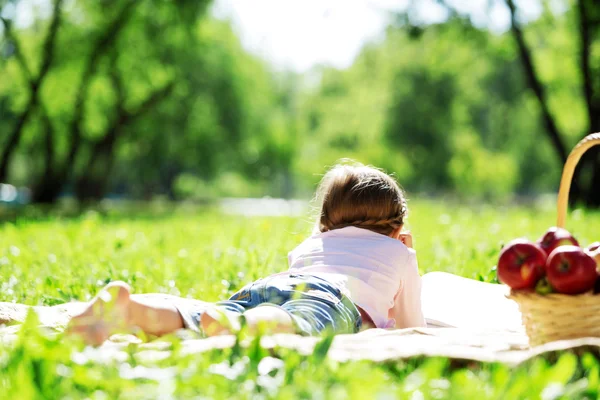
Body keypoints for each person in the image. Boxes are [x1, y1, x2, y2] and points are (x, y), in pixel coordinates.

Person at [64, 161, 426, 345]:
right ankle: (240, 326)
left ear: (325, 221)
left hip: (271, 285)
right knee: (296, 324)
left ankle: (130, 309)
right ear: (397, 230)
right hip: (330, 299)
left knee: (200, 317)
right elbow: (412, 325)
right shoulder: (399, 253)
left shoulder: (309, 245)